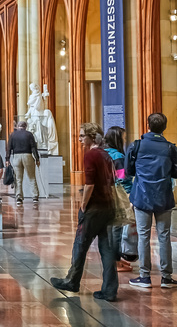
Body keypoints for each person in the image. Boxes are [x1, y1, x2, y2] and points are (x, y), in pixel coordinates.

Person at [50, 122, 118, 301]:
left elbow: (89, 184)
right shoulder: (106, 154)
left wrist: (83, 205)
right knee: (106, 248)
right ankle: (110, 289)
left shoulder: (91, 155)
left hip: (94, 208)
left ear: (91, 136)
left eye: (82, 135)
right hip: (108, 206)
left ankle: (72, 280)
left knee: (80, 244)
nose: (79, 139)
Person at [125, 111, 177, 290]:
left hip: (142, 195)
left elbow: (129, 170)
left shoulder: (137, 145)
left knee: (143, 235)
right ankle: (166, 277)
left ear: (148, 125)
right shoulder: (170, 148)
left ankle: (144, 277)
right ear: (164, 127)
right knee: (164, 235)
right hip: (164, 196)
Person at [104, 125, 138, 273]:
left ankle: (115, 259)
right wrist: (130, 195)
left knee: (111, 229)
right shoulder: (118, 156)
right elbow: (122, 178)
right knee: (117, 230)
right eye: (123, 137)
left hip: (105, 194)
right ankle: (115, 262)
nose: (125, 140)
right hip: (119, 195)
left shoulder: (103, 153)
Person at [7, 119, 40, 204]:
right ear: (25, 127)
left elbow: (9, 148)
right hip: (28, 156)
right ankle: (35, 196)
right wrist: (37, 159)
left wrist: (7, 159)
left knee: (18, 179)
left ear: (18, 126)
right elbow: (33, 147)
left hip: (16, 157)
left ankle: (19, 197)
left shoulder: (12, 135)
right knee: (32, 177)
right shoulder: (29, 134)